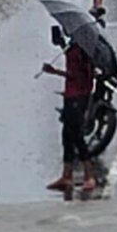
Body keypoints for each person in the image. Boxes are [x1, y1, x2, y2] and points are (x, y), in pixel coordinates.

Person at [42, 28, 101, 200]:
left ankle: (89, 175)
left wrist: (55, 72)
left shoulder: (82, 51)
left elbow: (78, 75)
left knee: (76, 135)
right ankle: (66, 175)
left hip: (79, 95)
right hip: (70, 94)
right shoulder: (71, 48)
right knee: (66, 135)